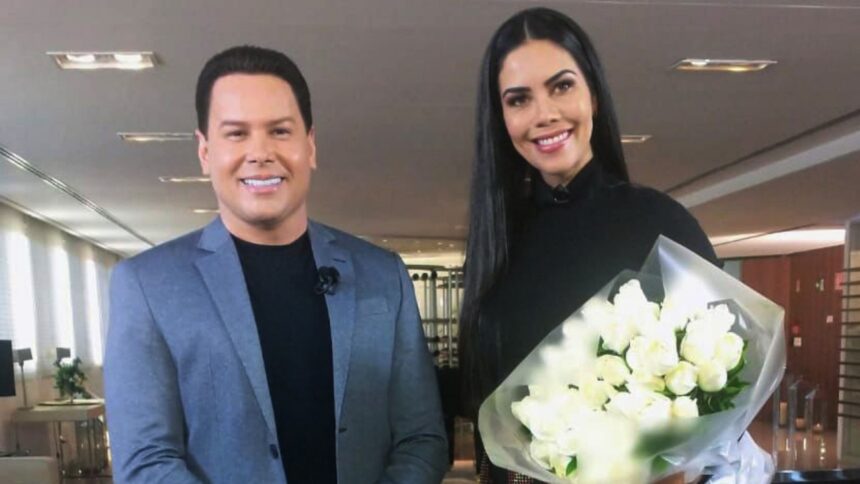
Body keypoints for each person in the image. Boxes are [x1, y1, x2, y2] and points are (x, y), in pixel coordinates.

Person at [104, 45, 448, 484]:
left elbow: (422, 438)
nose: (260, 152)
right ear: (205, 152)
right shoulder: (147, 286)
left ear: (310, 145)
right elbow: (145, 461)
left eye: (280, 131)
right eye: (236, 133)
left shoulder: (384, 276)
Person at [458, 8, 719, 483]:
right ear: (501, 119)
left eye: (561, 86)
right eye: (519, 100)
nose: (544, 114)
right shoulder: (497, 241)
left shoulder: (660, 223)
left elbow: (716, 392)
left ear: (593, 95)